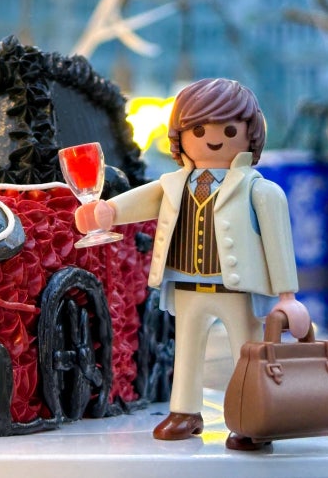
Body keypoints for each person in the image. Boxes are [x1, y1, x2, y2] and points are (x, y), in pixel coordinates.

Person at [75, 77, 311, 451]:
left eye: (229, 130)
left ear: (250, 135)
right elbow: (140, 200)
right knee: (186, 351)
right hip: (185, 284)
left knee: (246, 354)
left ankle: (251, 417)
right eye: (198, 130)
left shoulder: (257, 189)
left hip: (236, 289)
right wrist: (109, 211)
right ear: (180, 135)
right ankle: (185, 412)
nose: (213, 139)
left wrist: (287, 296)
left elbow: (279, 244)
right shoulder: (174, 184)